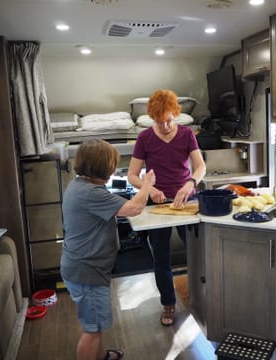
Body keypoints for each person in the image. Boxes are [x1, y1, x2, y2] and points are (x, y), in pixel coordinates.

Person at [60, 139, 155, 360]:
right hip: (87, 271)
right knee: (92, 329)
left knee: (96, 323)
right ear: (102, 168)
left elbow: (115, 207)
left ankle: (101, 356)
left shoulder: (79, 186)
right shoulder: (91, 194)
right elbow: (134, 208)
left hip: (83, 267)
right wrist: (147, 183)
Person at [127, 89, 206, 326]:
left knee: (198, 253)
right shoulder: (144, 138)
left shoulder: (187, 135)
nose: (165, 125)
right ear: (152, 118)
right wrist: (149, 189)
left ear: (176, 114)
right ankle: (168, 304)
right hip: (157, 203)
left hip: (186, 200)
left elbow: (200, 167)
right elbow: (132, 175)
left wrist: (190, 183)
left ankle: (202, 299)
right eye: (160, 122)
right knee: (161, 258)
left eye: (169, 120)